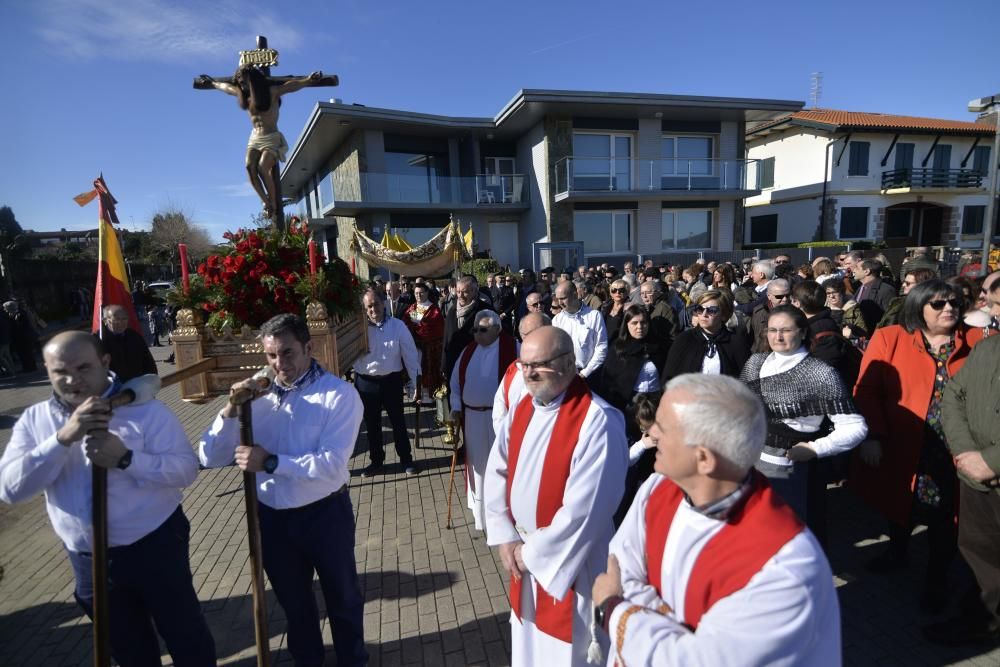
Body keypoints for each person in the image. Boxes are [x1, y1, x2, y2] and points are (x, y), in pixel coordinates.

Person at [592, 374, 841, 666]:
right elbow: (620, 568)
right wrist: (677, 631)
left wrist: (613, 610)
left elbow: (690, 662)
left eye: (663, 427)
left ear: (704, 459)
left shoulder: (784, 568)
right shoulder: (659, 487)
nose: (652, 434)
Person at [0, 331, 216, 666]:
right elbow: (10, 490)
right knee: (128, 650)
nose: (73, 380)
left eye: (83, 368)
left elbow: (185, 472)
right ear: (47, 371)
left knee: (185, 634)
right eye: (60, 372)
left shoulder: (146, 412)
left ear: (105, 363)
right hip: (89, 560)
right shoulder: (36, 420)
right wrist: (62, 438)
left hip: (155, 546)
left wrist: (127, 459)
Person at [198, 314, 367, 666]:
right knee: (295, 603)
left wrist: (272, 463)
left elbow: (331, 464)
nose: (279, 364)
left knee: (343, 597)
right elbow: (210, 455)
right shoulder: (255, 394)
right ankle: (308, 660)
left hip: (325, 515)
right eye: (271, 356)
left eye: (288, 353)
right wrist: (231, 407)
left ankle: (353, 660)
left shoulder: (338, 395)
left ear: (309, 347)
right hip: (273, 519)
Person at [484, 327, 627, 666]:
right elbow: (496, 471)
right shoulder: (522, 408)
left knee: (568, 653)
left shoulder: (597, 420)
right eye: (524, 364)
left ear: (568, 364)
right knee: (528, 646)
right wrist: (505, 537)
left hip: (571, 564)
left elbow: (586, 510)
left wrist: (531, 554)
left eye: (540, 364)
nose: (529, 373)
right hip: (523, 554)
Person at [850, 279, 984, 611]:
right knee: (902, 502)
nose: (949, 309)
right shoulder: (890, 338)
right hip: (904, 442)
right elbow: (867, 391)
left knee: (945, 517)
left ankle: (936, 582)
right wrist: (875, 435)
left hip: (955, 447)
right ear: (918, 308)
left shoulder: (978, 340)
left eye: (953, 302)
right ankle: (897, 552)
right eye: (938, 304)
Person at [741, 305, 867, 542]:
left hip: (791, 465)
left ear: (801, 332)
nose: (777, 337)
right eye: (772, 330)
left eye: (786, 330)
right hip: (751, 460)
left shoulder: (819, 372)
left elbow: (854, 426)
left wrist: (815, 449)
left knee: (788, 537)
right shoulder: (756, 362)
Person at [925, 333, 1000, 645]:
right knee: (980, 556)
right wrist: (965, 452)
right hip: (975, 481)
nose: (985, 308)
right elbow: (954, 395)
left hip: (987, 469)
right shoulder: (988, 347)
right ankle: (983, 622)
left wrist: (992, 461)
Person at [199, 68, 325, 219]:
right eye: (240, 83)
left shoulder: (271, 92)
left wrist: (308, 80)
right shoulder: (244, 96)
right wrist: (213, 83)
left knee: (262, 167)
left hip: (271, 137)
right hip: (254, 137)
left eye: (245, 82)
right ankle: (266, 202)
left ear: (253, 81)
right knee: (249, 167)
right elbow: (226, 88)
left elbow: (291, 86)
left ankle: (273, 202)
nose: (243, 86)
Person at [449, 310, 518, 530]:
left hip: (503, 420)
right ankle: (482, 516)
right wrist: (456, 407)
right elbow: (454, 384)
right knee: (478, 466)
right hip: (473, 419)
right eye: (475, 330)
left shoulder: (513, 348)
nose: (477, 334)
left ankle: (506, 512)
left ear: (498, 329)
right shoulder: (468, 352)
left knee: (502, 464)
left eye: (483, 330)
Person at [353, 289, 421, 477]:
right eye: (368, 306)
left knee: (398, 421)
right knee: (372, 424)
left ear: (384, 303)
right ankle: (376, 462)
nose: (373, 309)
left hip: (391, 381)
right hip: (366, 383)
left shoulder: (398, 326)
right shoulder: (358, 330)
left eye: (375, 304)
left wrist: (416, 382)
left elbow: (410, 355)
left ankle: (406, 459)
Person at [662, 290, 749, 380]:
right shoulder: (684, 340)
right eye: (700, 309)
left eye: (712, 310)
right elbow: (669, 378)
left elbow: (747, 381)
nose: (704, 314)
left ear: (724, 314)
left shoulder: (736, 342)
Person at [492, 312, 550, 434]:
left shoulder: (561, 370)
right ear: (522, 336)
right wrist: (504, 437)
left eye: (544, 331)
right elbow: (500, 404)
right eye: (532, 334)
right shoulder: (514, 369)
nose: (539, 337)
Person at [551, 280, 608, 380]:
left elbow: (601, 347)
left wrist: (585, 373)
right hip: (566, 375)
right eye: (558, 299)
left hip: (590, 375)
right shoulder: (557, 320)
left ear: (574, 294)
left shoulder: (594, 316)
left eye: (563, 298)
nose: (560, 303)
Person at [442, 276, 490, 382]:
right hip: (454, 364)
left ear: (474, 291)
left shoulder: (485, 311)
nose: (460, 296)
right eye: (458, 292)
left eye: (465, 292)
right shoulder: (452, 311)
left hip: (476, 364)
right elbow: (446, 339)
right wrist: (444, 366)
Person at [403, 283, 445, 405]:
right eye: (416, 293)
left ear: (427, 293)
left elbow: (435, 328)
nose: (419, 295)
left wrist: (418, 325)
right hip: (413, 347)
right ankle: (416, 395)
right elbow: (406, 323)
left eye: (421, 292)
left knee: (428, 371)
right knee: (414, 371)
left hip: (429, 349)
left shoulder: (434, 309)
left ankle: (428, 398)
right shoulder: (412, 308)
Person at [99, 304, 158, 382]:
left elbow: (148, 362)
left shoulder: (134, 336)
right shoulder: (98, 341)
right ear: (105, 321)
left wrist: (152, 380)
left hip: (138, 387)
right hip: (115, 390)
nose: (121, 323)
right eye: (117, 319)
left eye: (124, 319)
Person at [747, 278, 790, 353]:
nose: (785, 299)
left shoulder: (795, 310)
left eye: (788, 295)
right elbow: (760, 341)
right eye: (779, 296)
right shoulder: (761, 313)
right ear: (769, 296)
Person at [601, 279, 630, 345]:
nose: (617, 292)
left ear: (627, 292)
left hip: (621, 345)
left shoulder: (630, 308)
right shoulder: (605, 307)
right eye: (614, 290)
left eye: (621, 290)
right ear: (611, 293)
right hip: (605, 344)